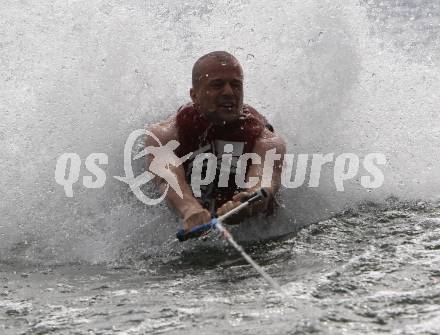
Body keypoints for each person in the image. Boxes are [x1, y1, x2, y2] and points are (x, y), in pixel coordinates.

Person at [145, 51, 286, 231]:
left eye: (236, 85)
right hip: (192, 210)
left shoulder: (266, 139)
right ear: (194, 95)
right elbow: (167, 176)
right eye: (217, 84)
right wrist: (190, 209)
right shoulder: (165, 134)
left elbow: (264, 182)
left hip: (257, 230)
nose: (229, 92)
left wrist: (247, 203)